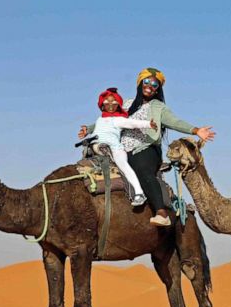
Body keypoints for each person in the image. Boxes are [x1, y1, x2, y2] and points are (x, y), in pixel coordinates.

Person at [80, 68, 216, 227]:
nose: (150, 86)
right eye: (147, 81)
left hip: (146, 148)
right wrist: (89, 129)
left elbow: (175, 122)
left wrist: (196, 130)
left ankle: (161, 212)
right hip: (121, 148)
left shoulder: (158, 107)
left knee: (141, 168)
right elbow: (109, 120)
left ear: (158, 88)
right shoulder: (128, 104)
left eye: (154, 84)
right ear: (140, 83)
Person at [91, 87, 157, 207]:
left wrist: (148, 124)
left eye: (113, 102)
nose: (110, 104)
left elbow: (132, 123)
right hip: (99, 148)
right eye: (107, 102)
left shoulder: (118, 120)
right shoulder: (100, 120)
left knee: (124, 166)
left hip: (115, 149)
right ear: (102, 105)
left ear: (118, 105)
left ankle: (139, 192)